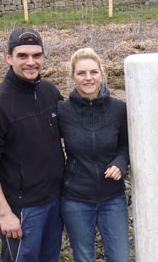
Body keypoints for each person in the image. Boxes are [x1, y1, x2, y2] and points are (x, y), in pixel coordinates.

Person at [0, 28, 64, 262]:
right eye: (22, 56)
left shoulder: (49, 92)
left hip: (54, 202)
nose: (31, 62)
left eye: (37, 55)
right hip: (24, 211)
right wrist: (5, 213)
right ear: (8, 58)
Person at [57, 48, 130, 262]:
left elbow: (126, 146)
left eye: (93, 72)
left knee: (120, 257)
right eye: (81, 73)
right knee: (84, 257)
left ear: (101, 74)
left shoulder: (119, 109)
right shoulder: (62, 111)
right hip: (75, 199)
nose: (88, 78)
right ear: (73, 77)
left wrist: (120, 163)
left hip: (112, 198)